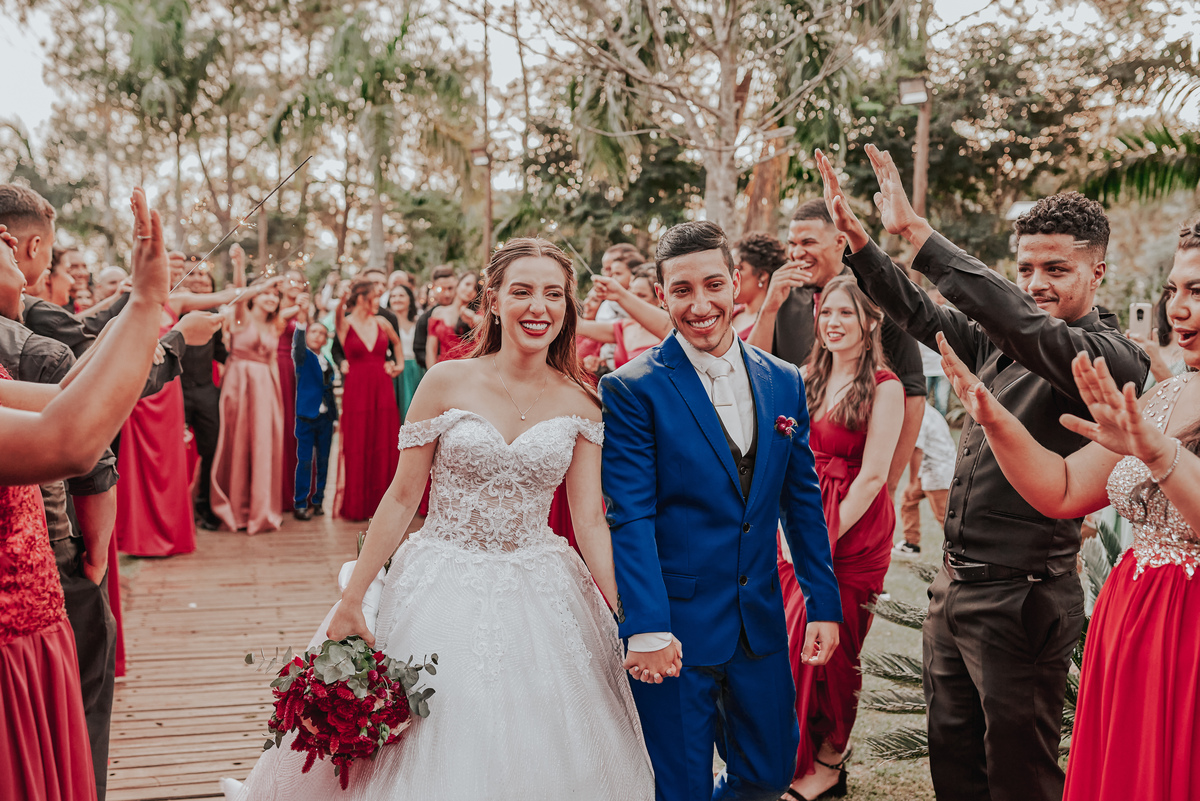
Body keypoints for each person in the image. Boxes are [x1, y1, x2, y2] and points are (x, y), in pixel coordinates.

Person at [221, 237, 653, 800]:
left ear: (568, 306)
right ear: (493, 300)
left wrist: (629, 613)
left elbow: (589, 520)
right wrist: (353, 598)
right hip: (439, 580)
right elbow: (402, 498)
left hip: (543, 588)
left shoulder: (582, 400)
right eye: (522, 291)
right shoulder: (445, 382)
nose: (538, 307)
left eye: (553, 294)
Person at [816, 145, 1149, 801]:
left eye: (1057, 268)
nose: (1036, 282)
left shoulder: (1110, 357)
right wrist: (861, 245)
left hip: (1023, 600)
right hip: (953, 591)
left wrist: (919, 233)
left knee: (1020, 779)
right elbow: (923, 314)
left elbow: (1032, 331)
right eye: (1025, 268)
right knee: (955, 768)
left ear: (1098, 271)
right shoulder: (998, 338)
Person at [933, 217, 1200, 801]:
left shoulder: (1131, 379)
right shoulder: (1167, 394)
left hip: (1191, 627)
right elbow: (1062, 489)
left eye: (1197, 291)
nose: (1177, 309)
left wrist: (1158, 452)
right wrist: (990, 414)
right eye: (1173, 289)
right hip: (1135, 618)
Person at [600, 221, 842, 801]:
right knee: (680, 786)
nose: (700, 304)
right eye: (682, 290)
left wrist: (823, 603)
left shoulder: (783, 380)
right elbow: (630, 516)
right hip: (675, 628)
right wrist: (647, 626)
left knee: (769, 774)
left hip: (759, 622)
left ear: (736, 282)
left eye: (713, 285)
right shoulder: (632, 388)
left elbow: (801, 501)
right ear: (661, 296)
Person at [0, 189, 168, 801]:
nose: (7, 246)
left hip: (32, 633)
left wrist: (135, 311)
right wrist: (144, 302)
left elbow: (69, 396)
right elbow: (68, 439)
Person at [778, 277, 903, 800]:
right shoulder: (803, 377)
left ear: (870, 322)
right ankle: (793, 756)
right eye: (826, 312)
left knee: (837, 647)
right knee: (791, 642)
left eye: (845, 313)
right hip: (800, 518)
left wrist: (818, 541)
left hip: (853, 529)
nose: (832, 322)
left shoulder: (886, 387)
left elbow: (873, 477)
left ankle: (829, 762)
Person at [745, 199, 927, 496]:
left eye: (808, 242)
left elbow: (914, 393)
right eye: (792, 244)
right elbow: (753, 374)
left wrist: (889, 484)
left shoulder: (877, 292)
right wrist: (769, 308)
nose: (796, 253)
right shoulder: (785, 295)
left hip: (858, 481)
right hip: (793, 478)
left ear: (839, 242)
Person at [210, 246, 288, 534]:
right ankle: (237, 507)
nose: (271, 298)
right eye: (266, 293)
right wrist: (240, 265)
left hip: (265, 387)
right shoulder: (241, 317)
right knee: (238, 441)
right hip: (239, 384)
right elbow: (239, 294)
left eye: (275, 295)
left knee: (263, 443)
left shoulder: (275, 325)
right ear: (255, 295)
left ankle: (261, 509)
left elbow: (272, 361)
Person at [334, 277, 402, 521]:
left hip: (382, 386)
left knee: (382, 438)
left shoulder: (382, 322)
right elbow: (337, 316)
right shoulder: (345, 324)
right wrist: (342, 297)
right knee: (358, 441)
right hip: (357, 389)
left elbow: (396, 343)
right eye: (375, 297)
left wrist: (398, 365)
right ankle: (358, 504)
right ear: (362, 298)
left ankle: (383, 504)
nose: (378, 302)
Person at [576, 266, 672, 370]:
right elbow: (579, 325)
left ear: (658, 299)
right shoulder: (624, 326)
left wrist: (620, 294)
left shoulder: (670, 329)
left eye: (641, 295)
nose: (633, 300)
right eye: (632, 294)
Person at [895, 400, 955, 557]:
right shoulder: (927, 410)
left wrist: (912, 481)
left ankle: (960, 552)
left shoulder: (919, 414)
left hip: (938, 472)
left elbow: (917, 450)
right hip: (930, 470)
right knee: (908, 499)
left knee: (944, 517)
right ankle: (911, 543)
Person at [291, 321, 337, 520]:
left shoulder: (326, 361)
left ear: (326, 339)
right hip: (306, 417)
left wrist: (334, 418)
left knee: (324, 460)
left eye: (322, 333)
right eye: (314, 331)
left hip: (326, 418)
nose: (318, 335)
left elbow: (329, 391)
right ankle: (300, 503)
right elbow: (298, 346)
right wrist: (301, 325)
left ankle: (318, 500)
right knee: (305, 460)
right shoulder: (303, 357)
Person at [731, 232, 787, 339]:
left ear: (762, 275)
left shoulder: (776, 323)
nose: (732, 276)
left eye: (737, 269)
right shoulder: (730, 313)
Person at [425, 271, 479, 367]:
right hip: (443, 368)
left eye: (475, 288)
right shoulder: (438, 312)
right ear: (457, 284)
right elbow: (431, 350)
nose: (470, 290)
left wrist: (473, 319)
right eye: (467, 284)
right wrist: (431, 372)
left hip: (468, 369)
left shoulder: (478, 315)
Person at [389, 282, 424, 420]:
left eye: (401, 295)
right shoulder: (386, 322)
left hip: (417, 369)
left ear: (410, 299)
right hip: (396, 369)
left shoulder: (418, 321)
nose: (397, 299)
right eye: (393, 296)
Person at [412, 264, 457, 370]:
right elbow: (419, 349)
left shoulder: (467, 312)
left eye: (450, 288)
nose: (447, 294)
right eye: (442, 289)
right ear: (434, 288)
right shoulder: (425, 318)